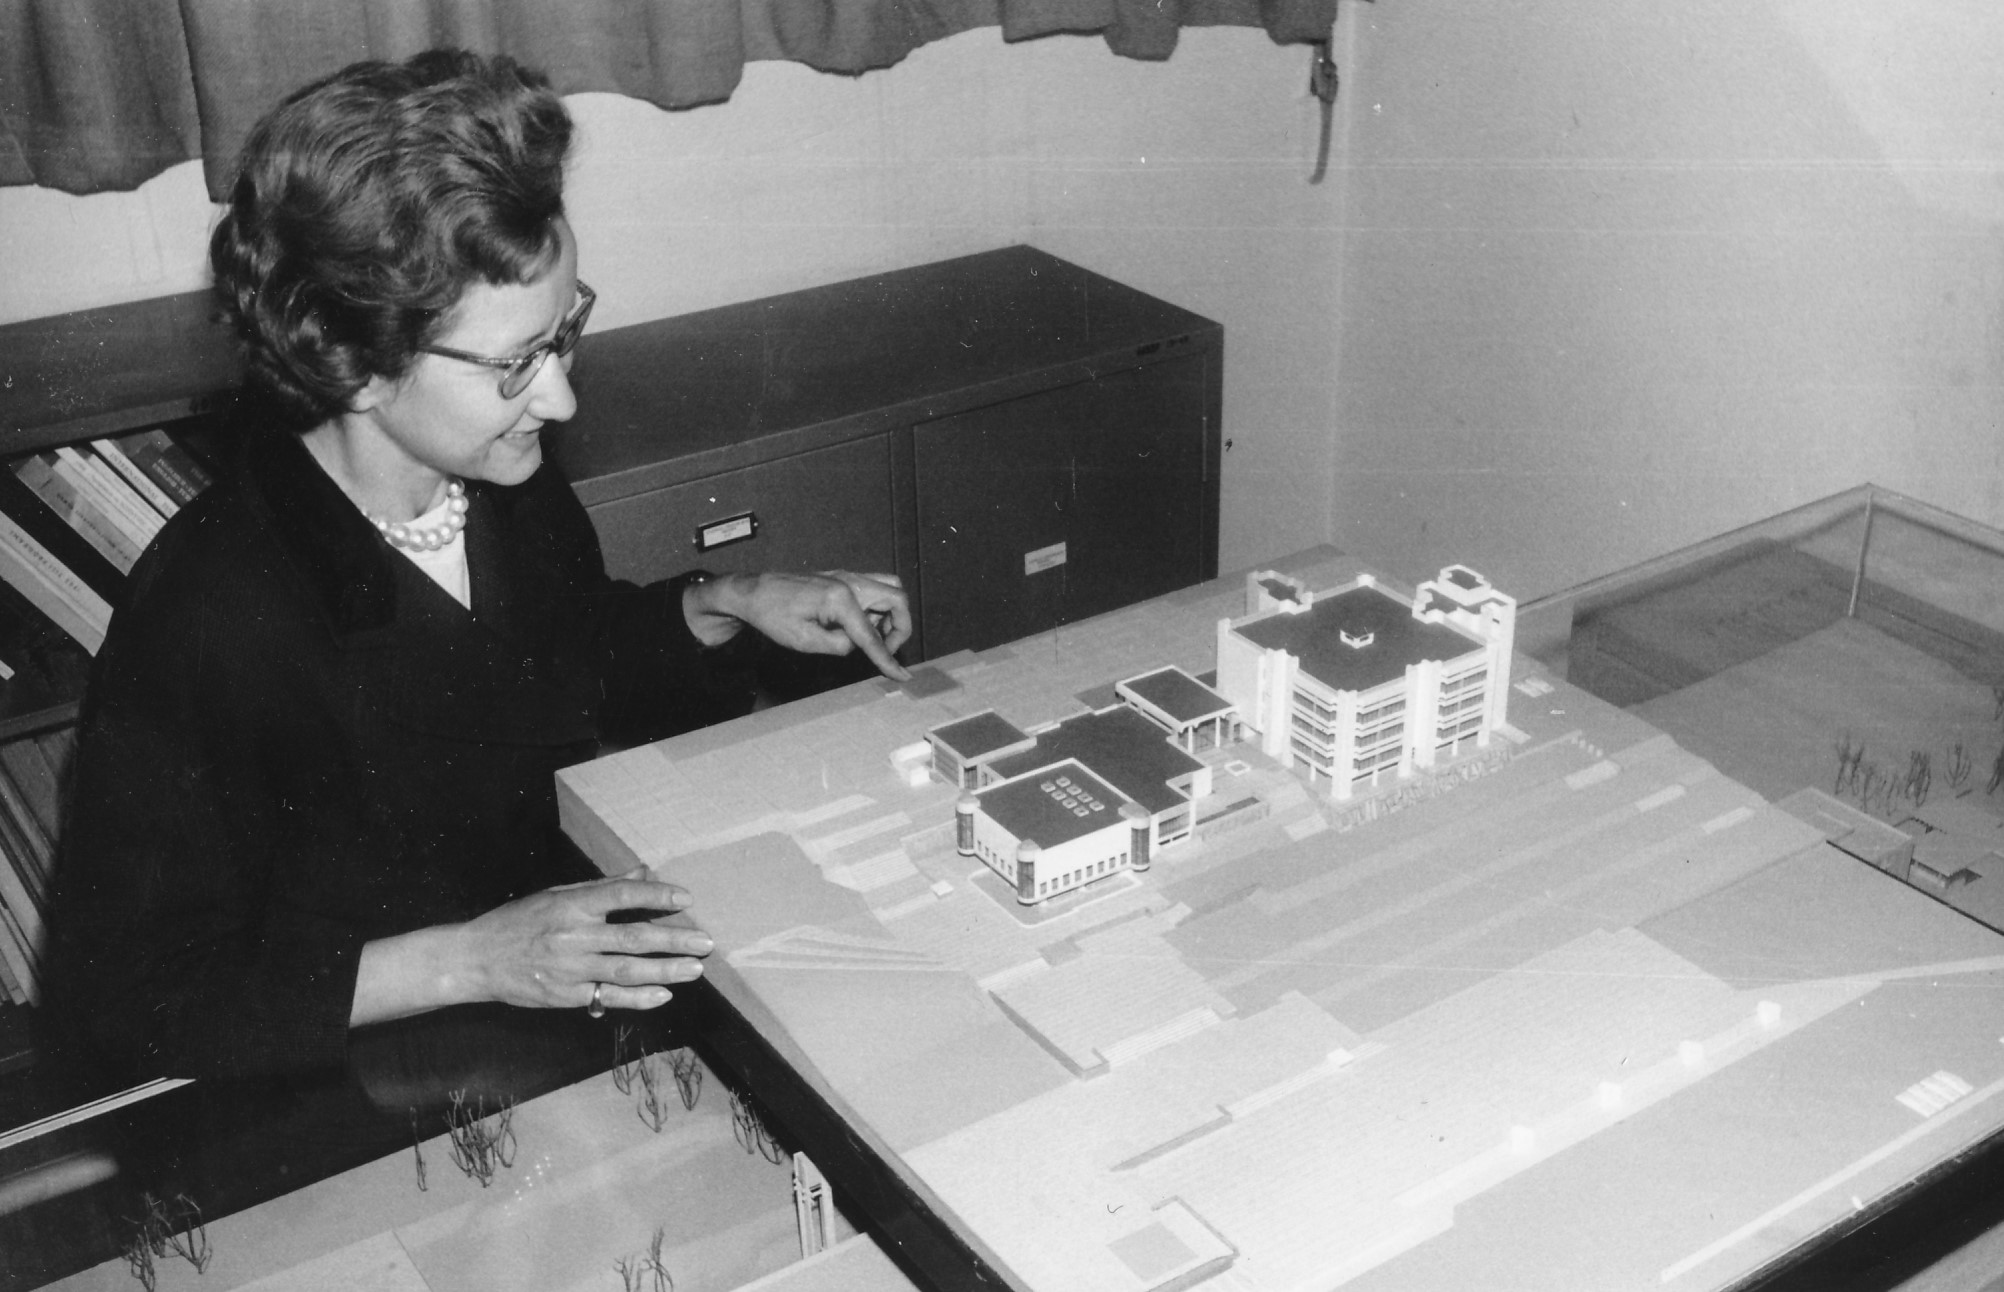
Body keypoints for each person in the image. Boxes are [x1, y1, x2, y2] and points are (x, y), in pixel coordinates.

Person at [44, 49, 911, 1082]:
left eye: (564, 336)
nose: (560, 400)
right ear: (351, 361)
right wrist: (475, 960)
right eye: (514, 365)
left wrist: (723, 603)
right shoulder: (208, 613)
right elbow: (125, 1000)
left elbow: (559, 658)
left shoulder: (500, 480)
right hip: (347, 1089)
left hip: (545, 1007)